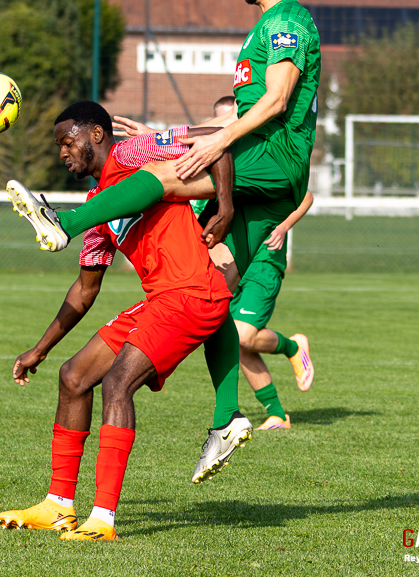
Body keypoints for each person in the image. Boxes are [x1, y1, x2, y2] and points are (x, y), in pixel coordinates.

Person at [7, 0, 321, 428]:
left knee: (160, 174)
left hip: (272, 157)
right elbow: (239, 115)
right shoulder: (266, 26)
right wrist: (182, 136)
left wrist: (217, 143)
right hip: (265, 166)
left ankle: (64, 221)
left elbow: (277, 101)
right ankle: (227, 418)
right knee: (214, 288)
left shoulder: (284, 22)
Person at [0, 101, 251, 542]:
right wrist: (40, 349)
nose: (63, 152)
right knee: (74, 377)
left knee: (118, 383)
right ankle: (58, 504)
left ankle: (103, 519)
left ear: (96, 133)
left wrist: (225, 206)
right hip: (159, 300)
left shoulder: (132, 153)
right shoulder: (101, 209)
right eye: (59, 146)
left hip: (192, 294)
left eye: (67, 141)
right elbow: (84, 290)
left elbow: (216, 138)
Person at [120, 96, 315, 431]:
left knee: (240, 334)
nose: (225, 130)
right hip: (226, 253)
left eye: (230, 122)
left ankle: (292, 345)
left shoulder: (258, 156)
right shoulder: (216, 158)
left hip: (262, 256)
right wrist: (151, 136)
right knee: (226, 331)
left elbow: (305, 194)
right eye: (219, 124)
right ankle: (276, 413)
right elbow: (186, 149)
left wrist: (282, 227)